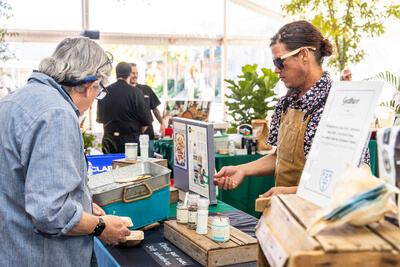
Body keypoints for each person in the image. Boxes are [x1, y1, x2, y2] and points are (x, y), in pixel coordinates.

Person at [0, 37, 131, 266]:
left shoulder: (12, 101)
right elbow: (50, 213)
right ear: (91, 86)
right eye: (98, 94)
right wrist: (100, 227)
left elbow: (24, 185)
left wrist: (83, 204)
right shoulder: (57, 114)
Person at [213, 20, 370, 198]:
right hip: (286, 215)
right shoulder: (286, 104)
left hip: (325, 220)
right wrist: (241, 169)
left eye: (280, 62)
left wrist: (291, 193)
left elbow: (353, 181)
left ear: (304, 55)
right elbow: (279, 158)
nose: (275, 70)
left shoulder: (341, 106)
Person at [97, 61, 153, 154]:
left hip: (109, 142)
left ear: (116, 73)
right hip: (131, 143)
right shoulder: (136, 93)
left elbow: (100, 120)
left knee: (112, 167)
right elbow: (146, 121)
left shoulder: (104, 92)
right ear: (130, 74)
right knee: (130, 168)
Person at [129, 63, 165, 157]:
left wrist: (162, 123)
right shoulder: (125, 92)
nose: (135, 75)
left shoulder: (146, 89)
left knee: (148, 162)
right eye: (133, 73)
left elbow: (155, 108)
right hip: (131, 135)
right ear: (127, 74)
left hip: (148, 135)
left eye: (136, 73)